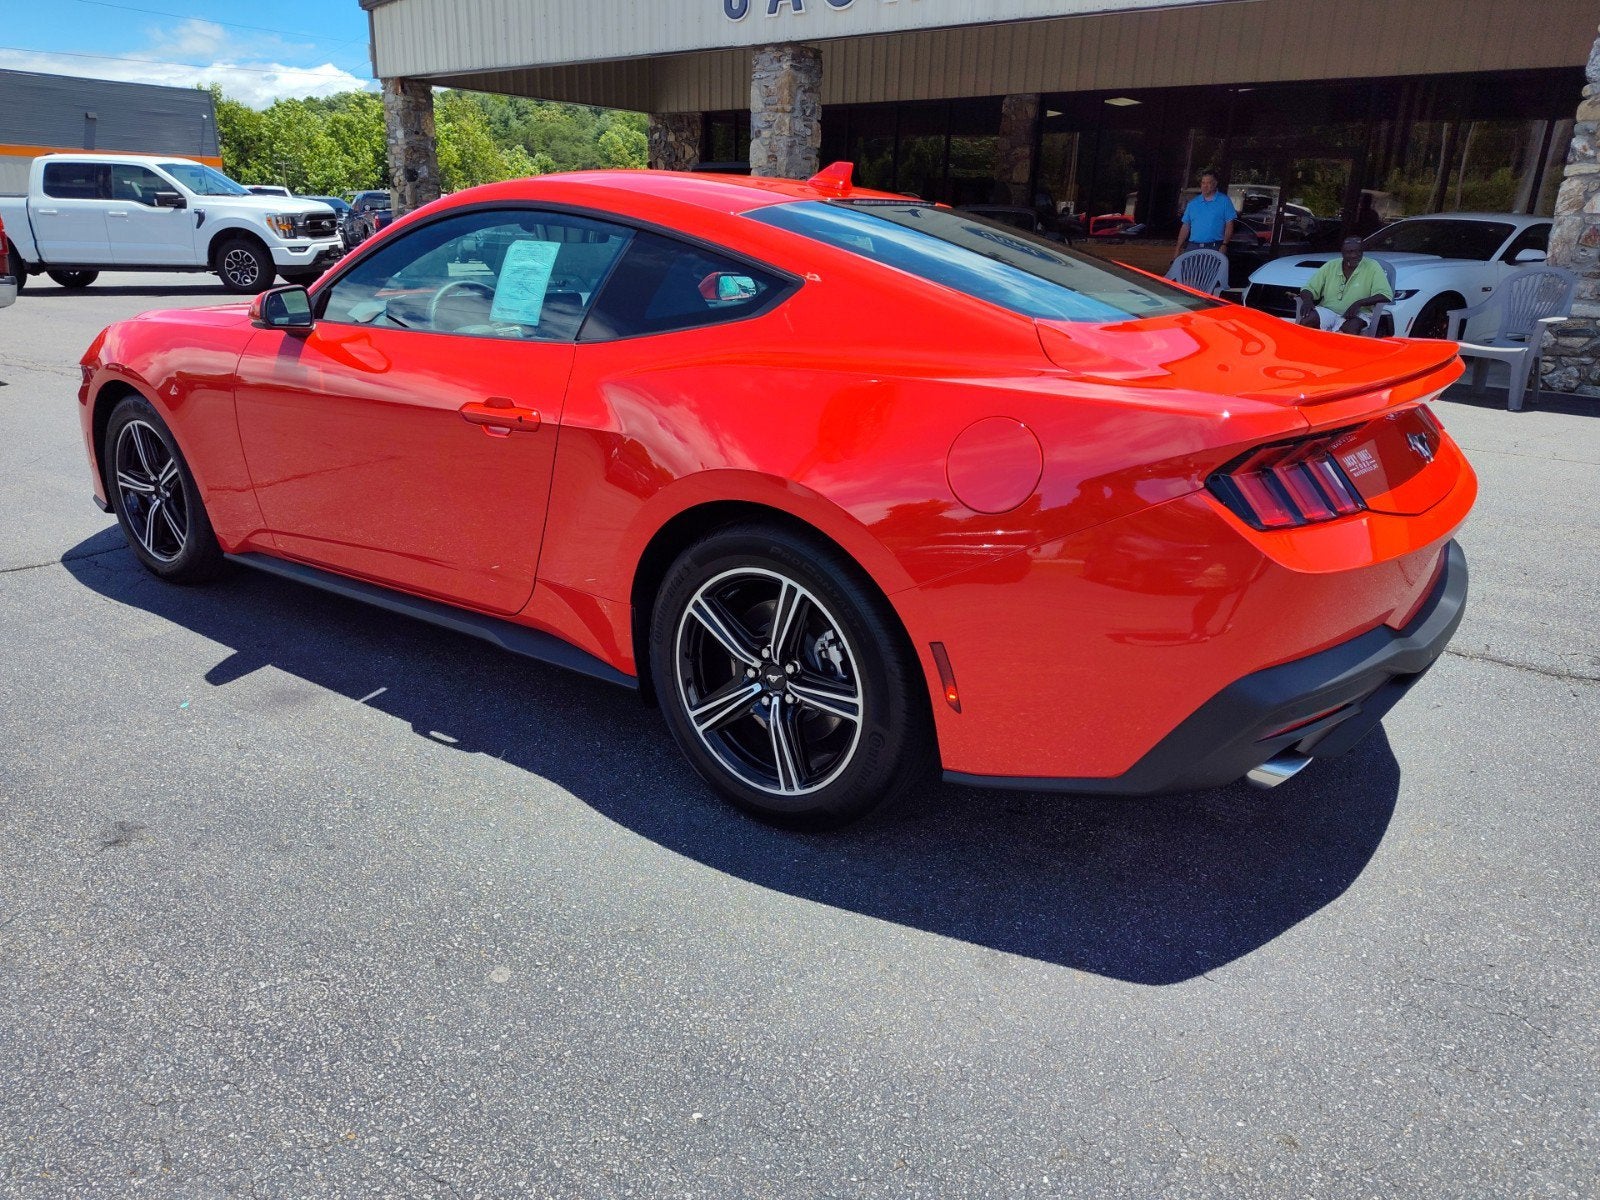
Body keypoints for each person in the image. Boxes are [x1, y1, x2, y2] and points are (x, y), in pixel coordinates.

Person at [1297, 237, 1393, 334]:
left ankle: (1341, 349)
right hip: (1328, 310)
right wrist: (1307, 300)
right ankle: (1307, 348)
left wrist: (1358, 303)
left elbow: (1385, 294)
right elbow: (1309, 288)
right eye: (1349, 252)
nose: (1354, 255)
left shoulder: (1372, 266)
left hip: (1358, 314)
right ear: (1342, 253)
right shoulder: (1331, 265)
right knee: (1307, 320)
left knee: (1352, 327)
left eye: (1358, 251)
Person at [1174, 172, 1237, 259]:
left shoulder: (1224, 201)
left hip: (1214, 246)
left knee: (1210, 272)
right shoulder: (1193, 203)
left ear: (1215, 184)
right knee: (1189, 272)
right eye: (1203, 183)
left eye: (1208, 183)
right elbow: (1185, 226)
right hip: (1193, 246)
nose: (1205, 186)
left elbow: (1229, 224)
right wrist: (1178, 248)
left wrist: (1225, 244)